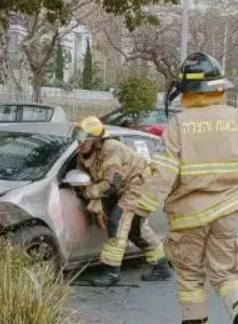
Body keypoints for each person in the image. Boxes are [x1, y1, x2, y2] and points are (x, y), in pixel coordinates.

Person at [133, 53, 238, 324]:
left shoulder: (180, 124)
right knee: (227, 275)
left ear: (187, 90)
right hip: (231, 213)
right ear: (218, 87)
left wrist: (141, 210)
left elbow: (164, 174)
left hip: (188, 217)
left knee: (191, 278)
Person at [72, 116, 171, 287]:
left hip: (138, 186)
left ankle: (111, 272)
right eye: (77, 138)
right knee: (136, 230)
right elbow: (84, 175)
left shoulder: (111, 150)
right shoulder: (84, 155)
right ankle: (161, 266)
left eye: (83, 139)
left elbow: (111, 184)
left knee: (117, 224)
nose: (79, 143)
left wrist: (89, 193)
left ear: (96, 140)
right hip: (123, 189)